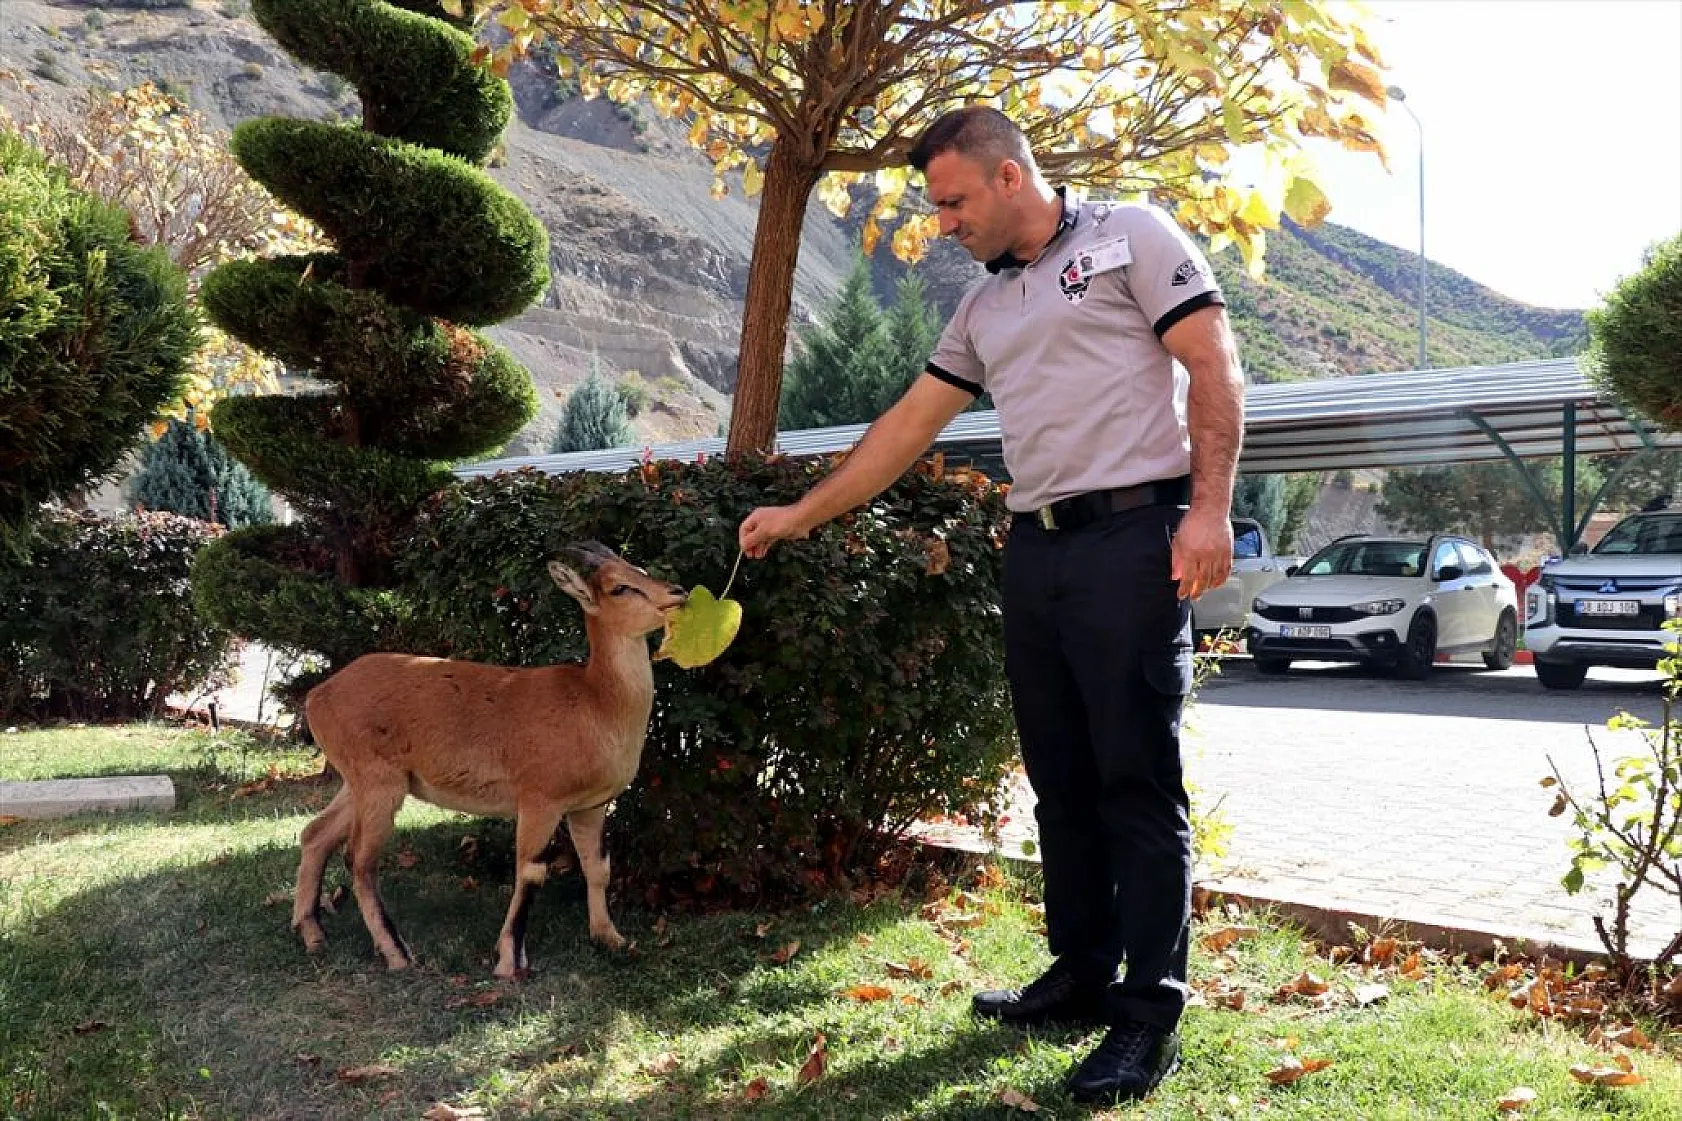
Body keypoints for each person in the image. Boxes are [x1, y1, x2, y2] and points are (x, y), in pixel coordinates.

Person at [738, 105, 1244, 1105]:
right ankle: (1078, 972)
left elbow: (1212, 365)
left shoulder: (1128, 237)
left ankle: (1147, 1014)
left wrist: (1209, 510)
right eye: (935, 206)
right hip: (1037, 550)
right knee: (1059, 776)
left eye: (952, 200)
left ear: (1008, 176)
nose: (942, 223)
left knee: (1134, 782)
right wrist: (799, 512)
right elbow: (904, 426)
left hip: (1132, 538)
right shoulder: (981, 308)